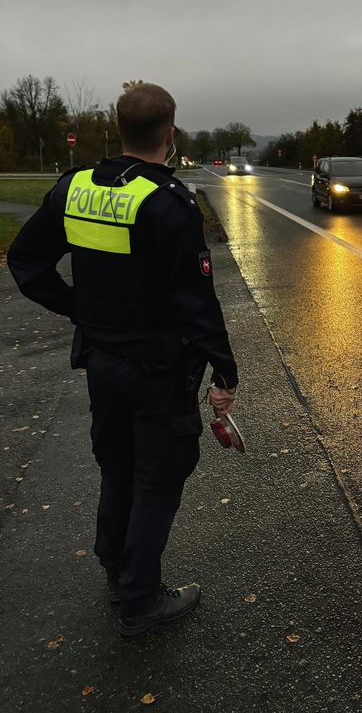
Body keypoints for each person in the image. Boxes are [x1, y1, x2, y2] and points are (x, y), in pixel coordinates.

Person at [8, 83, 238, 636]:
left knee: (117, 467)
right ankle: (141, 601)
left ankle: (118, 571)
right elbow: (194, 301)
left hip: (101, 362)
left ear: (118, 129)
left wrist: (79, 311)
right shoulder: (169, 201)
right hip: (158, 369)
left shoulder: (76, 187)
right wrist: (224, 370)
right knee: (158, 479)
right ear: (170, 133)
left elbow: (27, 261)